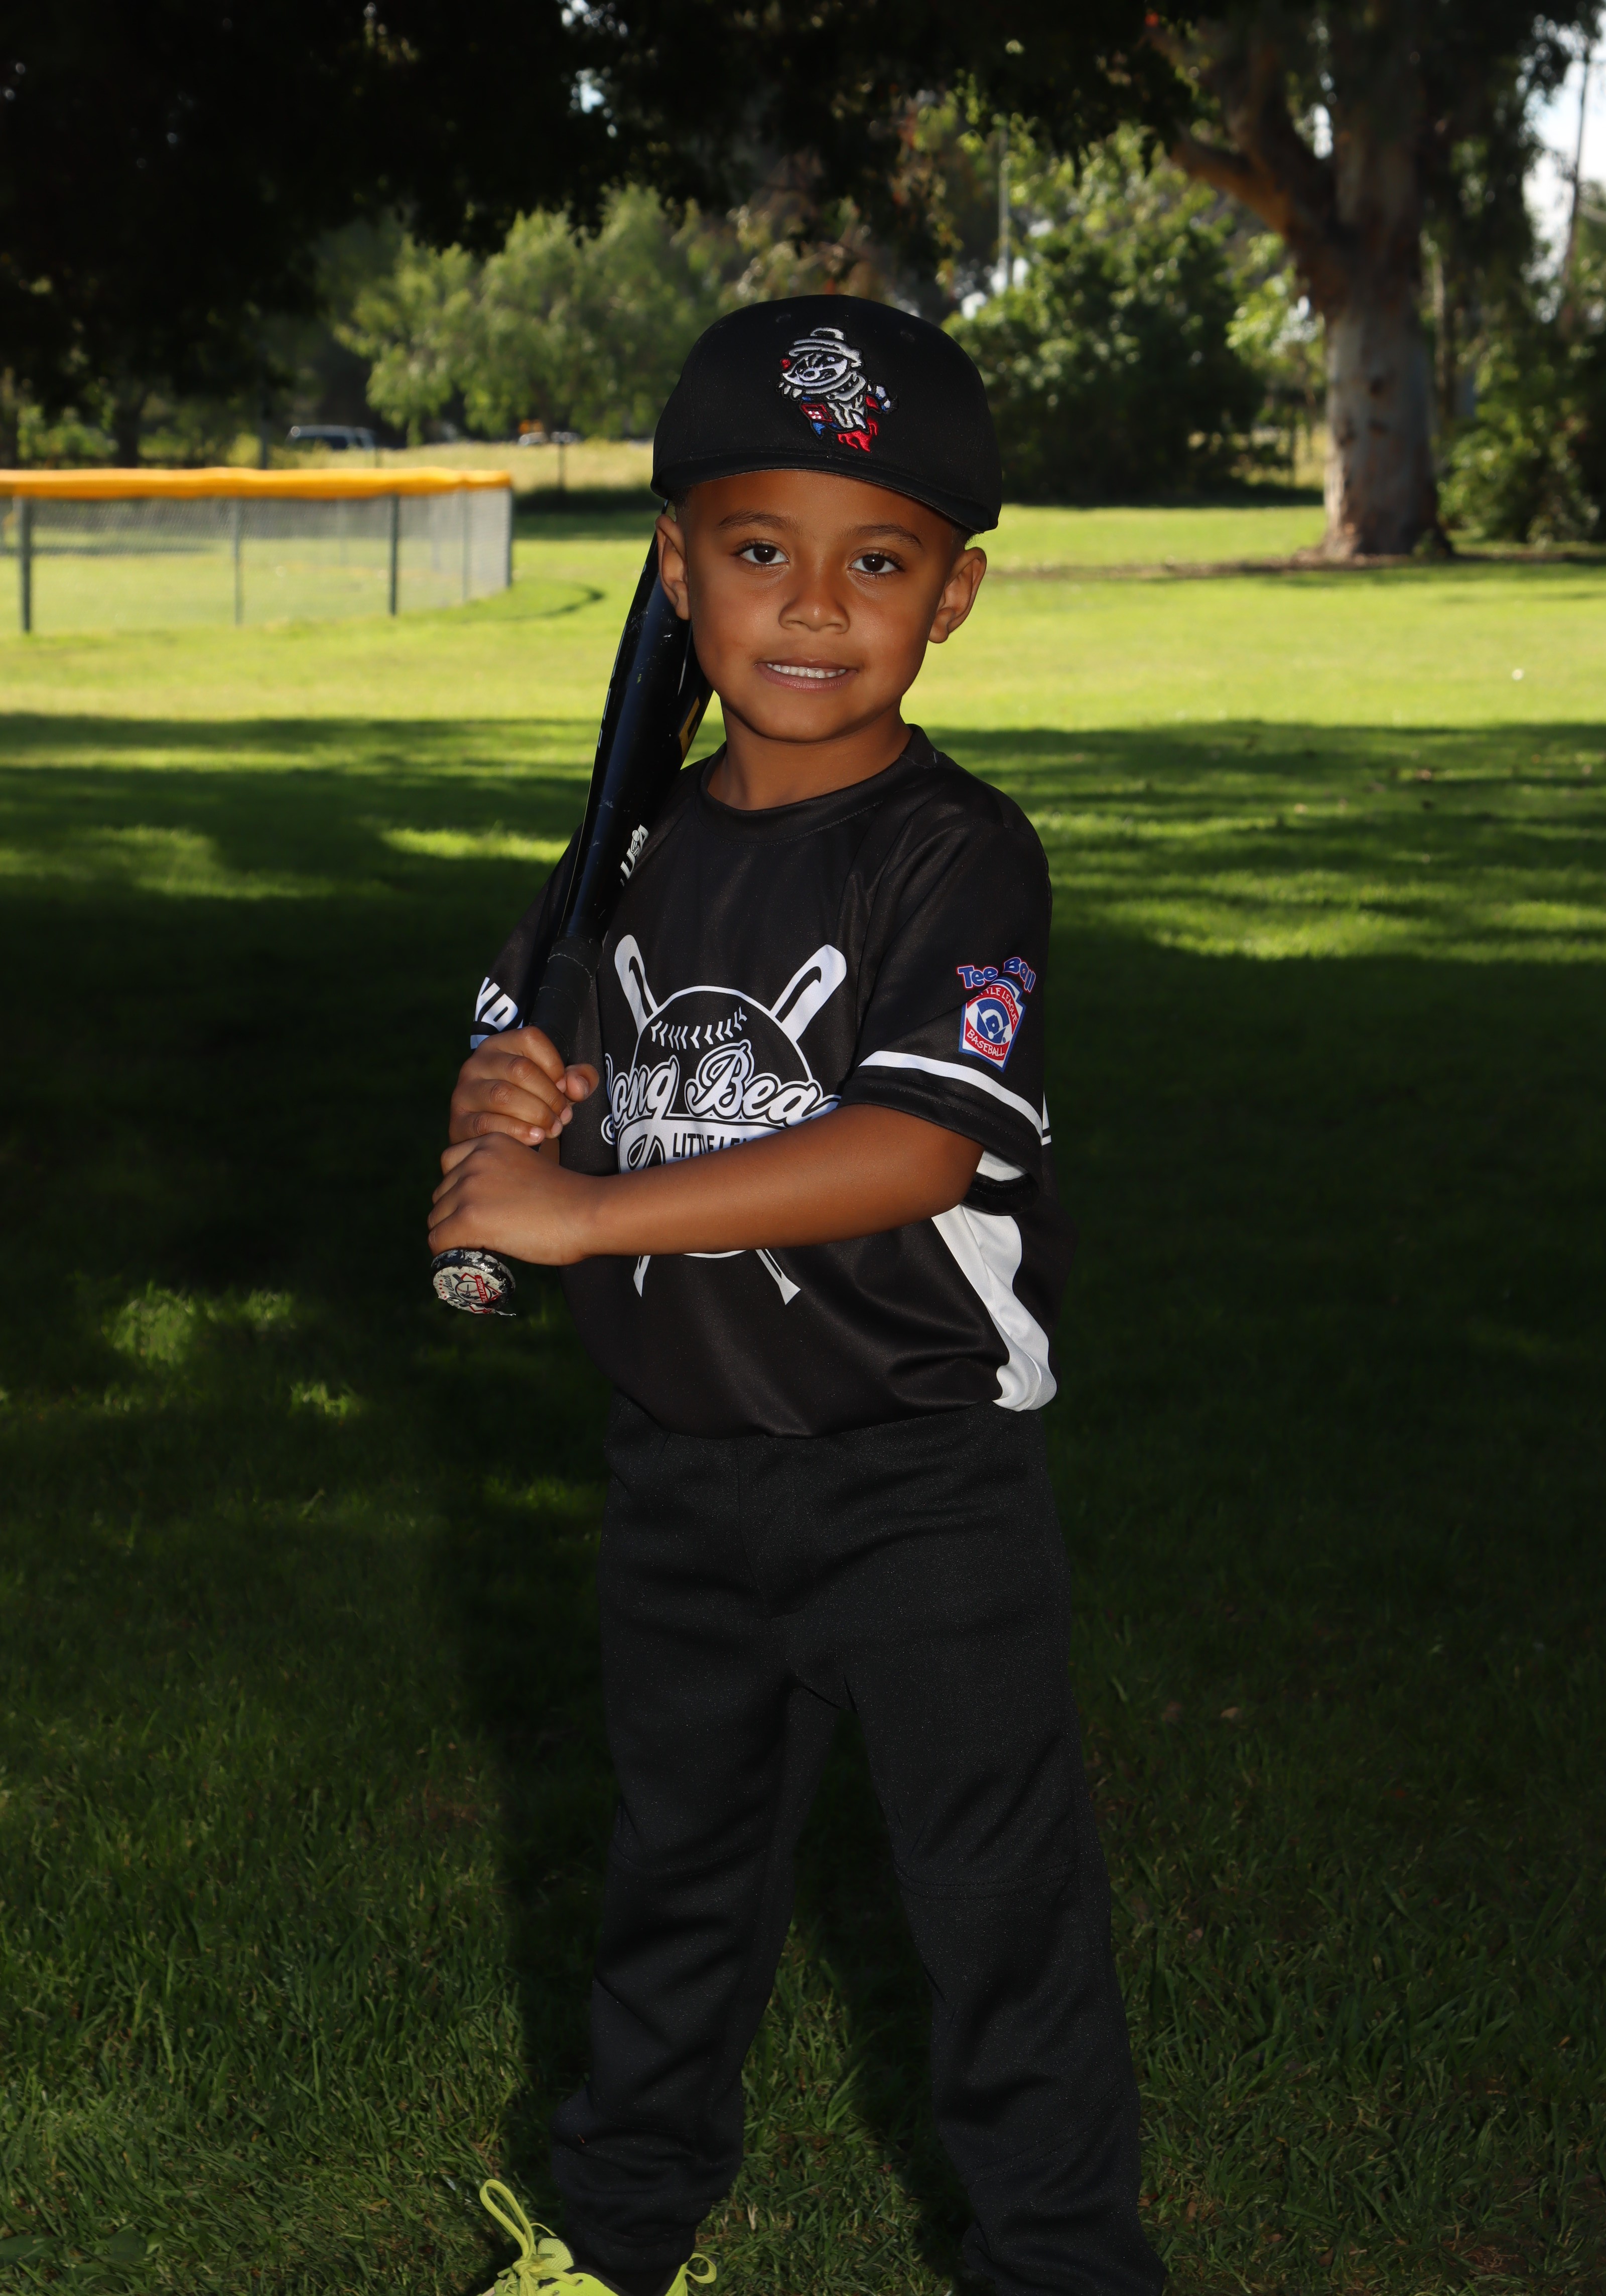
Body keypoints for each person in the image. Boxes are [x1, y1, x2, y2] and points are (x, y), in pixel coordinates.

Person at [428, 298, 1163, 2296]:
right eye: (760, 550)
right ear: (677, 571)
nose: (816, 605)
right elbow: (526, 1086)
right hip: (680, 1472)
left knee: (995, 1919)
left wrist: (579, 1220)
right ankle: (610, 2245)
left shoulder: (953, 855)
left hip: (914, 1478)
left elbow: (909, 1150)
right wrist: (498, 1135)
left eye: (880, 561)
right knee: (674, 1893)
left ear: (954, 596)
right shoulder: (629, 853)